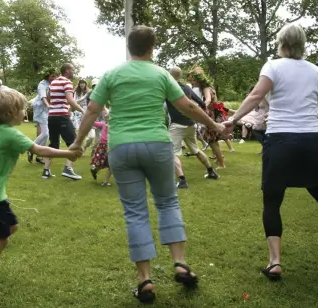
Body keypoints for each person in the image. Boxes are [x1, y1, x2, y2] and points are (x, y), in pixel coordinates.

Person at [70, 26, 226, 303]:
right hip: (157, 145)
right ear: (152, 48)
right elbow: (187, 106)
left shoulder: (112, 74)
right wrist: (214, 124)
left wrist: (78, 143)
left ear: (129, 47)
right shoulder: (161, 74)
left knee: (135, 212)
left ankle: (145, 280)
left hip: (122, 148)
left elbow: (92, 110)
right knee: (167, 202)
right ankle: (180, 263)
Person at [226, 23, 318, 281]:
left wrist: (233, 119)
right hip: (310, 139)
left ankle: (275, 262)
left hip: (280, 139)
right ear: (302, 43)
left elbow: (256, 95)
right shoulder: (314, 71)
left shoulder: (273, 66)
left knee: (273, 197)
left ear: (282, 43)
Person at [0, 87, 81, 294]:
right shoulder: (12, 135)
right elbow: (40, 150)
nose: (25, 112)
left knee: (11, 227)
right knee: (2, 238)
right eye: (23, 109)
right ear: (12, 113)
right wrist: (68, 152)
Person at [166, 67, 219, 190]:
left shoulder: (168, 88)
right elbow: (201, 102)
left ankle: (182, 181)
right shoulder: (187, 88)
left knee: (171, 153)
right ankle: (211, 172)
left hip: (177, 125)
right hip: (190, 124)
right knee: (195, 149)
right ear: (180, 76)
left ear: (170, 75)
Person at [42, 63, 84, 180]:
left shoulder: (53, 82)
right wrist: (82, 111)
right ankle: (68, 169)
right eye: (73, 70)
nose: (74, 72)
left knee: (53, 145)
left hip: (52, 117)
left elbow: (49, 98)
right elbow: (70, 100)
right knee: (74, 143)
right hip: (62, 116)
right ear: (67, 70)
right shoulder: (67, 82)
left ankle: (46, 171)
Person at [29, 69, 57, 164]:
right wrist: (48, 105)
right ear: (47, 76)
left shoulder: (51, 84)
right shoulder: (42, 85)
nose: (54, 78)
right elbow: (43, 97)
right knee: (45, 134)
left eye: (55, 76)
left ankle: (39, 155)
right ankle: (31, 148)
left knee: (46, 134)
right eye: (52, 76)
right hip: (40, 110)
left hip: (46, 110)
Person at [90, 110, 112, 186]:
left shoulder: (108, 124)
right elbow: (94, 123)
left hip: (107, 146)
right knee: (104, 163)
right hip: (105, 146)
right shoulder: (105, 124)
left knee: (111, 164)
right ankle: (94, 169)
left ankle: (105, 180)